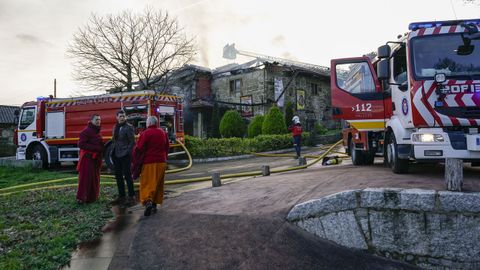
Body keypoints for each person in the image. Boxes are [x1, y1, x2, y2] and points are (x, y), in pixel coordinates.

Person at [132, 116, 169, 216]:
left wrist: (134, 160)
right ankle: (154, 204)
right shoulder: (163, 133)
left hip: (149, 162)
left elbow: (138, 148)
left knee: (147, 183)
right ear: (156, 123)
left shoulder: (145, 133)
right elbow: (167, 147)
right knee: (158, 183)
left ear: (148, 123)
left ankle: (148, 201)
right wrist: (165, 159)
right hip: (161, 162)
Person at [76, 114, 104, 204]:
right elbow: (81, 144)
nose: (98, 121)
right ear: (91, 121)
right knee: (86, 179)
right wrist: (96, 148)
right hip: (87, 159)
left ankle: (92, 197)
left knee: (94, 178)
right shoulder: (86, 131)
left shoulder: (97, 131)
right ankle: (82, 198)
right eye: (96, 119)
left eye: (99, 119)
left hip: (95, 159)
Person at [111, 110, 136, 206]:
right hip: (116, 155)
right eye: (120, 116)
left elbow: (132, 142)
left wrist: (127, 152)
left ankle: (131, 196)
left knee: (128, 176)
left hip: (125, 155)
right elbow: (114, 140)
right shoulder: (115, 127)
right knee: (118, 176)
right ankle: (122, 196)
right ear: (116, 117)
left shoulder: (129, 127)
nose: (122, 118)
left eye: (123, 116)